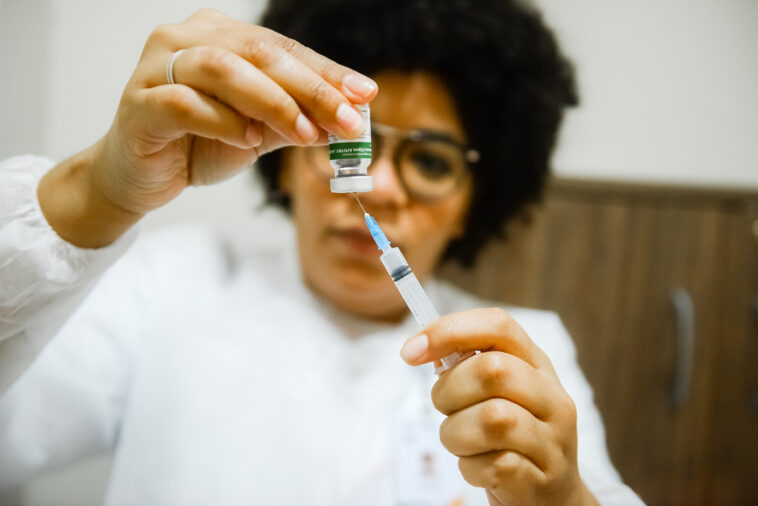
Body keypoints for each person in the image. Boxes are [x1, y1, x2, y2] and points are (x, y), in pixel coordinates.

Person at [0, 1, 644, 504]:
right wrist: (95, 191)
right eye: (349, 144)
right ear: (283, 161)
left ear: (476, 200)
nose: (380, 187)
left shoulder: (523, 354)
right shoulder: (171, 285)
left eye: (430, 161)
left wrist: (565, 500)